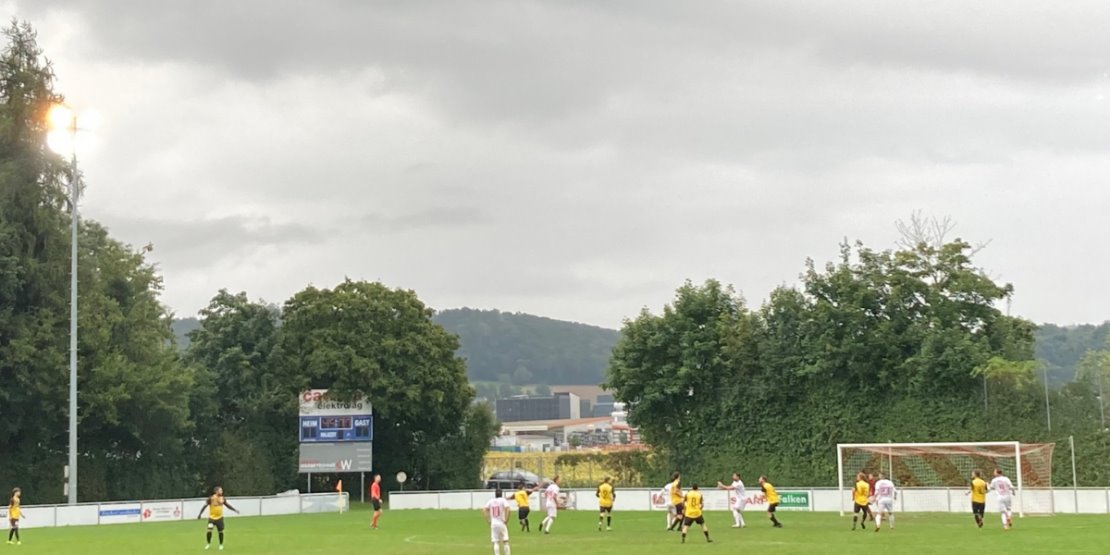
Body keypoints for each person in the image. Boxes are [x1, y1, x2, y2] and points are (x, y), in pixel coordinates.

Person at [197, 486, 239, 551]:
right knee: (209, 531)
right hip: (212, 518)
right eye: (220, 490)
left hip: (220, 518)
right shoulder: (211, 498)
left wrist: (235, 510)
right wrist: (200, 514)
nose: (222, 492)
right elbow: (204, 506)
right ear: (216, 491)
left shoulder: (222, 498)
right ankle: (208, 544)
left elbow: (227, 505)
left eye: (222, 490)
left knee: (220, 532)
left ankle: (221, 545)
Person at [482, 488, 512, 555]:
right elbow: (509, 510)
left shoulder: (491, 501)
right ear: (501, 494)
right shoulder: (503, 500)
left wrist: (488, 521)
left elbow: (484, 510)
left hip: (494, 523)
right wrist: (507, 520)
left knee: (495, 542)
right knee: (505, 541)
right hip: (501, 522)